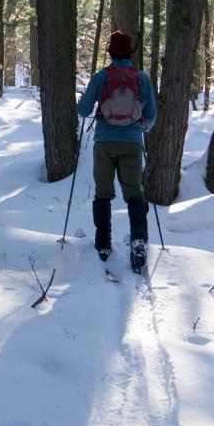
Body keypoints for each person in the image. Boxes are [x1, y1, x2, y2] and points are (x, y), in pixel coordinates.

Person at [76, 30, 157, 272]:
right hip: (132, 141)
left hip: (104, 141)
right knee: (134, 193)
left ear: (110, 52)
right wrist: (141, 127)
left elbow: (82, 109)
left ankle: (103, 243)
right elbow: (151, 115)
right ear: (130, 53)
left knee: (103, 192)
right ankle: (139, 241)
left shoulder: (101, 77)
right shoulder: (142, 78)